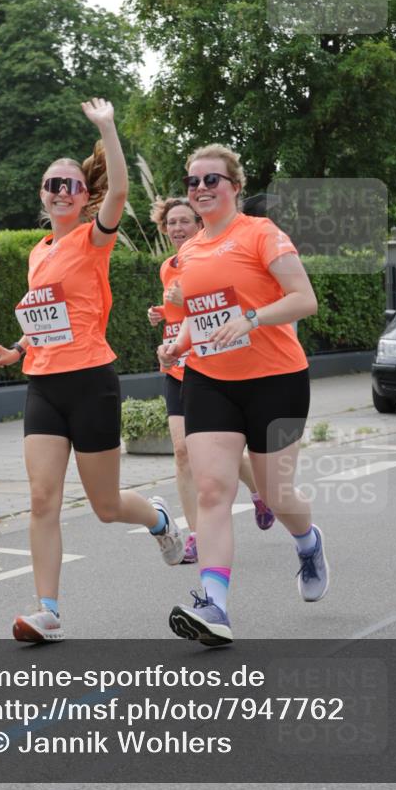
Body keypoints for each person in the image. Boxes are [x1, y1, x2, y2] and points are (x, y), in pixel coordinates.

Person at [0, 98, 183, 643]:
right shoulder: (37, 250)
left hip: (92, 382)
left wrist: (108, 126)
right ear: (43, 195)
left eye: (70, 184)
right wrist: (18, 349)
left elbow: (118, 191)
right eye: (52, 184)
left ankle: (160, 520)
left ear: (82, 195)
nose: (61, 191)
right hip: (43, 384)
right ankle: (47, 610)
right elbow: (45, 316)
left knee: (106, 505)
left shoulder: (94, 238)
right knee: (42, 498)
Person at [159, 144, 329, 647]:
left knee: (277, 494)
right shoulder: (187, 253)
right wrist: (177, 344)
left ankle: (307, 541)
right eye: (193, 182)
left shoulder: (261, 234)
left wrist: (253, 318)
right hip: (210, 379)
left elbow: (305, 299)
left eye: (212, 180)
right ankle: (214, 604)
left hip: (276, 377)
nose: (201, 189)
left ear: (234, 185)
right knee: (213, 489)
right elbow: (199, 314)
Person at [147, 197, 275, 564]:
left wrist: (188, 299)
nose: (177, 229)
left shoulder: (217, 258)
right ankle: (196, 537)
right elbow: (181, 315)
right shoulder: (167, 267)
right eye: (171, 223)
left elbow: (224, 308)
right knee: (183, 452)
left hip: (213, 367)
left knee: (222, 451)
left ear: (199, 224)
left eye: (185, 221)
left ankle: (259, 491)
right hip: (178, 367)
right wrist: (163, 313)